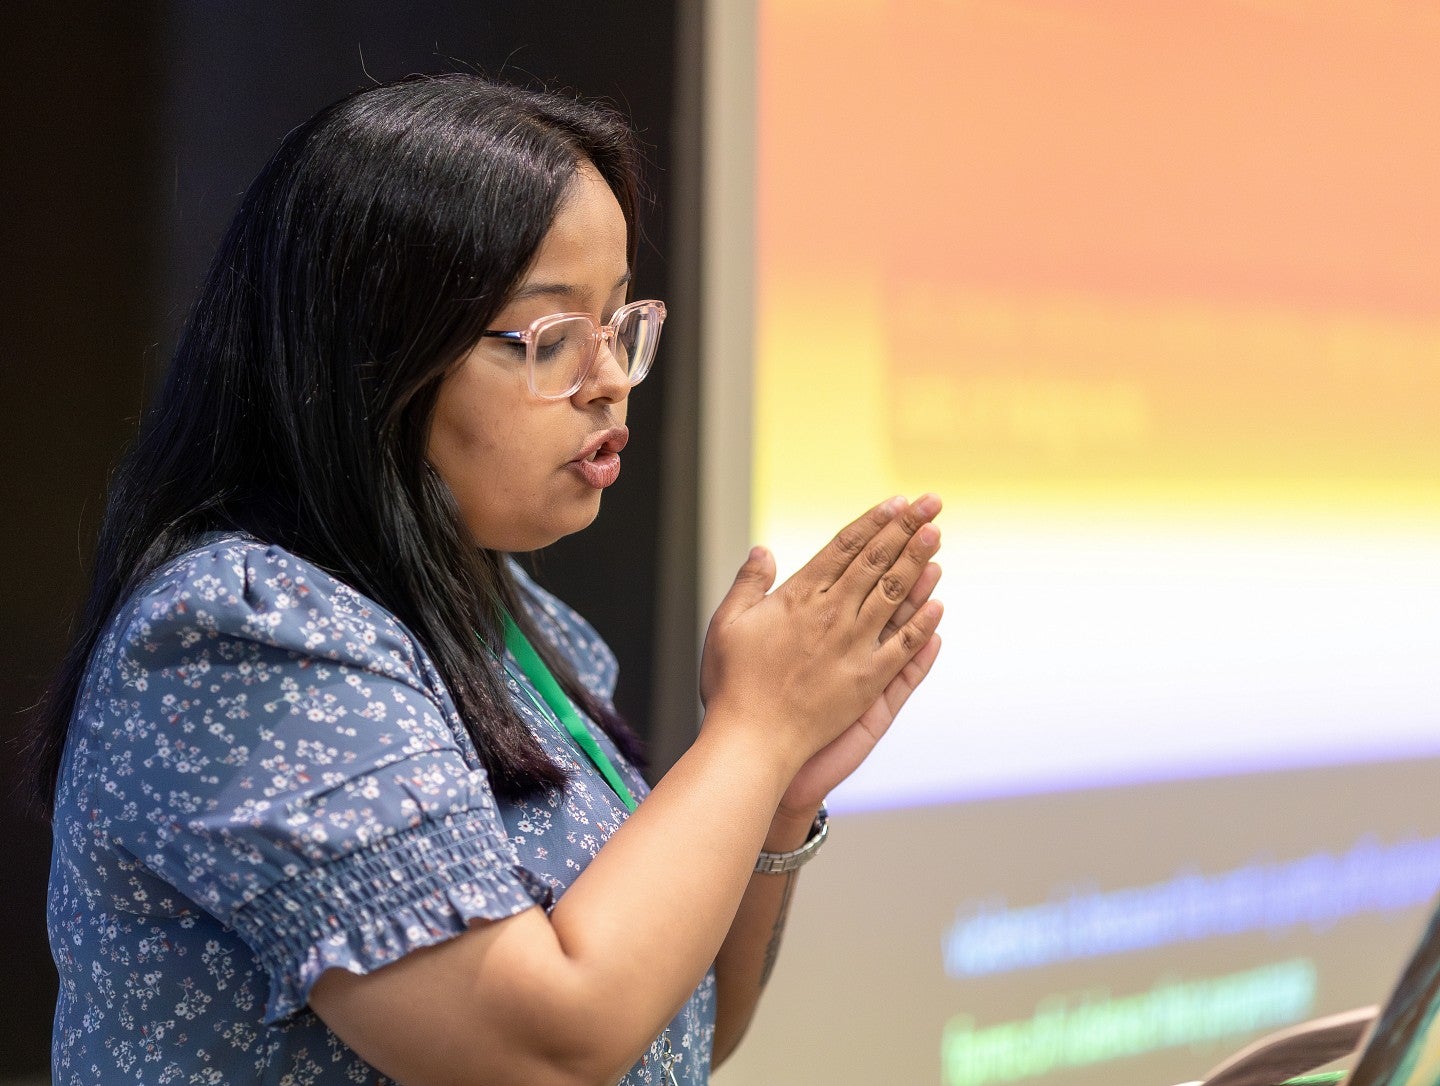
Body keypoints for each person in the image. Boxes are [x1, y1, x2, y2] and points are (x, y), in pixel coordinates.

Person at [28, 73, 944, 1086]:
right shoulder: (243, 636)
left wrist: (775, 791)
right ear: (376, 359)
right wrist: (753, 731)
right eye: (552, 338)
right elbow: (541, 1052)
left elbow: (678, 1030)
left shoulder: (516, 619)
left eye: (619, 325)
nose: (608, 378)